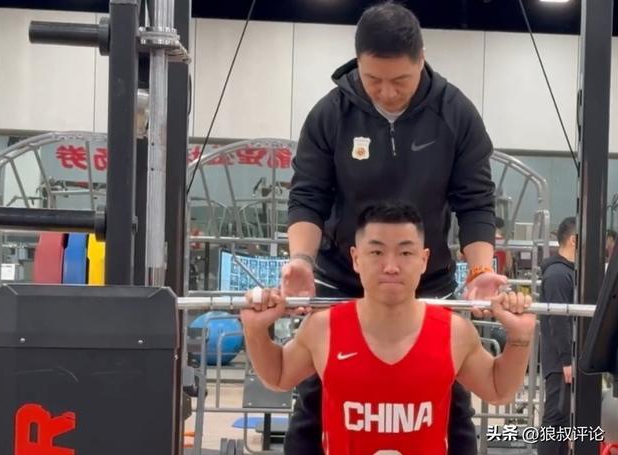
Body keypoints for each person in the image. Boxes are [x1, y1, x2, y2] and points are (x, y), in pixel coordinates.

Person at [284, 2, 504, 453]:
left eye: (400, 80)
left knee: (450, 399)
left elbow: (476, 202)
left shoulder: (456, 114)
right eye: (374, 80)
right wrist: (301, 261)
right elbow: (308, 196)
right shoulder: (330, 114)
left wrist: (481, 271)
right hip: (344, 279)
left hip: (427, 281)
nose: (386, 92)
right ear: (358, 63)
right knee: (315, 397)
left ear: (422, 59)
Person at [243, 202, 536, 454]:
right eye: (377, 252)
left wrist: (520, 337)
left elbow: (498, 390)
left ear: (423, 260)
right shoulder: (323, 328)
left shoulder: (454, 332)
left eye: (405, 253)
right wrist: (255, 331)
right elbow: (279, 375)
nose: (391, 266)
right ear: (356, 259)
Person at [538, 217, 576, 455]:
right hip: (560, 361)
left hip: (565, 358)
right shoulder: (558, 275)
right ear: (574, 240)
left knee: (563, 420)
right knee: (555, 418)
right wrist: (567, 359)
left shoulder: (568, 272)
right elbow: (559, 320)